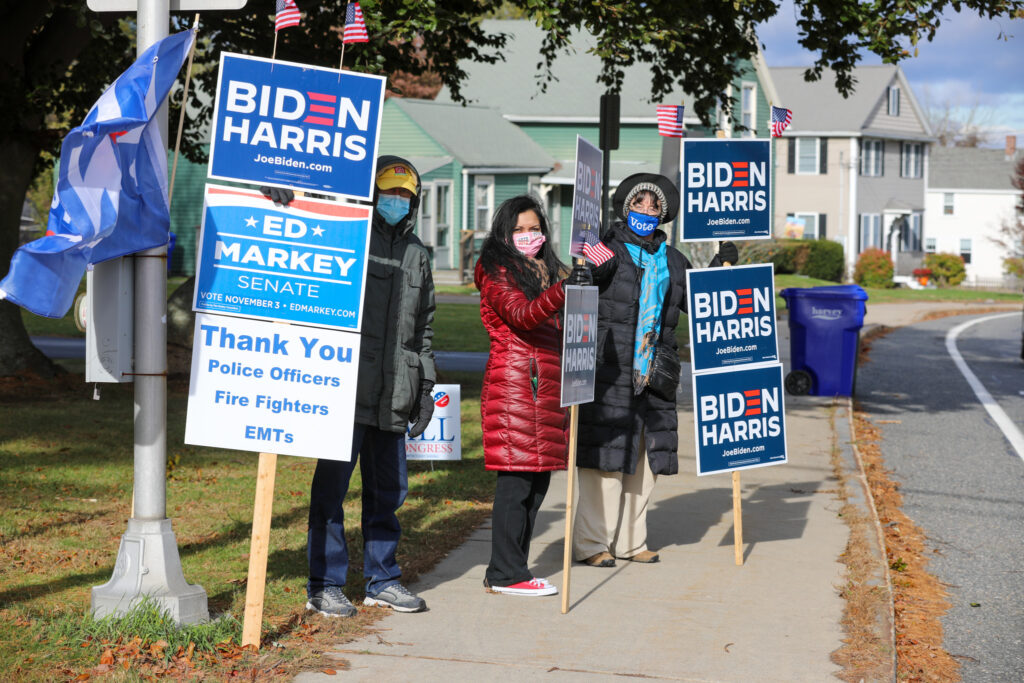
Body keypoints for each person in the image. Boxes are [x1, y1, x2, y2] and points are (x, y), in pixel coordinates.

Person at [572, 173, 737, 568]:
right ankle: (592, 544)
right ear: (624, 206)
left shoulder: (673, 260)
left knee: (645, 461)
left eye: (654, 205)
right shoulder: (605, 248)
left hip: (655, 372)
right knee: (605, 462)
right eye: (638, 203)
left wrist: (722, 264)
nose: (646, 211)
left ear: (664, 213)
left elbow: (700, 302)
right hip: (609, 369)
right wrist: (584, 264)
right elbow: (582, 283)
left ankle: (631, 540)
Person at [300, 155, 437, 617]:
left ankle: (383, 579)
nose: (396, 200)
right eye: (388, 192)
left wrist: (424, 387)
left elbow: (425, 330)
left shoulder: (419, 253)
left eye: (404, 194)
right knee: (330, 494)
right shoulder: (347, 239)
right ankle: (324, 584)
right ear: (371, 194)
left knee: (388, 495)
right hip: (344, 391)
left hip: (394, 395)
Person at [474, 195, 588, 596]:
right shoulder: (496, 271)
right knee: (516, 483)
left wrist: (593, 273)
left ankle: (511, 570)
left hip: (547, 387)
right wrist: (563, 291)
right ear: (504, 233)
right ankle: (507, 573)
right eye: (519, 229)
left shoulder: (549, 268)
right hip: (517, 385)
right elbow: (522, 315)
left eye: (534, 229)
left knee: (536, 486)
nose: (528, 236)